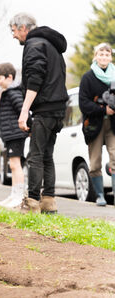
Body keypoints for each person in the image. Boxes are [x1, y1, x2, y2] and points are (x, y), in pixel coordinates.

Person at [9, 13, 68, 213]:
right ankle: (49, 202)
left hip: (44, 109)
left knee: (34, 155)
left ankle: (32, 202)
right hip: (59, 109)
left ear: (23, 28)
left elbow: (35, 79)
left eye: (14, 30)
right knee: (46, 155)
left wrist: (24, 111)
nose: (14, 35)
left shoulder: (34, 45)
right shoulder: (51, 45)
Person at [79, 43, 115, 207]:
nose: (104, 57)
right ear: (95, 56)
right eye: (101, 54)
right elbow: (83, 103)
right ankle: (100, 195)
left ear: (111, 57)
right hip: (94, 124)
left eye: (107, 55)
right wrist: (103, 110)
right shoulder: (88, 77)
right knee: (95, 161)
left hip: (113, 125)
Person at [0, 63, 29, 208]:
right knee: (13, 165)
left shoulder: (14, 93)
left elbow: (22, 111)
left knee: (15, 165)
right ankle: (13, 195)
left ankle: (19, 197)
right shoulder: (9, 92)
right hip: (10, 135)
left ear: (9, 77)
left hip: (16, 134)